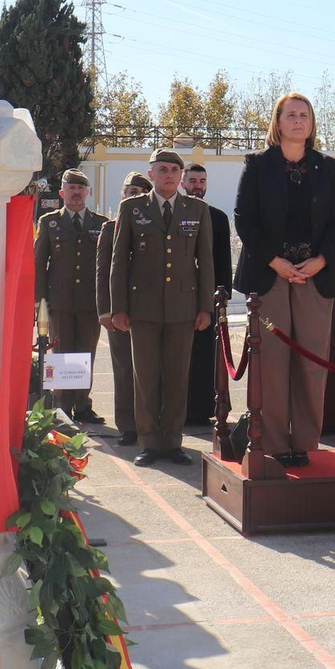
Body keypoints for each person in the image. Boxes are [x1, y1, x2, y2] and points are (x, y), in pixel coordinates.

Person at [234, 93, 335, 467]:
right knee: (273, 362)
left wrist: (321, 260)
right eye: (291, 115)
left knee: (311, 363)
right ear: (278, 122)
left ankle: (303, 442)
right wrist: (273, 261)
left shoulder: (327, 167)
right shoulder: (257, 165)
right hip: (270, 276)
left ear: (312, 123)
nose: (298, 120)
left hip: (314, 277)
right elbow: (244, 218)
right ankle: (273, 442)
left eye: (305, 115)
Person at [109, 149, 214, 466]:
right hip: (143, 308)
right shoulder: (132, 209)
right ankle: (149, 441)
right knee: (145, 377)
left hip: (183, 308)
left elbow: (205, 262)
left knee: (176, 377)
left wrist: (205, 307)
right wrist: (118, 307)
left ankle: (172, 441)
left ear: (181, 177)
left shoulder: (196, 210)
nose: (169, 175)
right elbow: (119, 261)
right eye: (162, 169)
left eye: (174, 170)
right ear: (151, 173)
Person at [33, 168, 108, 424]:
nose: (76, 193)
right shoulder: (49, 222)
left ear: (87, 192)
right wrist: (39, 303)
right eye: (71, 189)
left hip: (90, 301)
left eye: (81, 188)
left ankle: (83, 405)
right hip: (59, 301)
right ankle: (62, 405)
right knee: (62, 352)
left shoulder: (101, 223)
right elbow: (39, 263)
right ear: (63, 192)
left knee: (86, 351)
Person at [97, 170, 152, 446]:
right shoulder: (111, 228)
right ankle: (127, 425)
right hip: (120, 310)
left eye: (140, 193)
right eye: (130, 192)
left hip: (149, 311)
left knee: (150, 370)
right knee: (123, 368)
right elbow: (103, 271)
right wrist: (105, 311)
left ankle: (148, 424)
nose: (134, 197)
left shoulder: (156, 228)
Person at [182, 162, 234, 427]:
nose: (197, 186)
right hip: (179, 297)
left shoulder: (218, 217)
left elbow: (223, 259)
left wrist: (223, 296)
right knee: (179, 356)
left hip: (209, 299)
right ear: (183, 183)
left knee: (205, 357)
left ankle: (204, 409)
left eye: (201, 181)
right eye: (192, 181)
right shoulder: (174, 213)